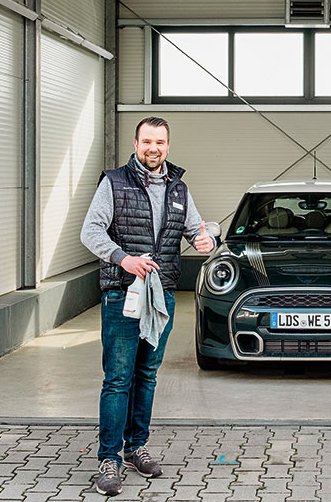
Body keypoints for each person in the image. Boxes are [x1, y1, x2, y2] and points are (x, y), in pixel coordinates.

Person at [80, 116, 214, 496]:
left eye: (160, 142)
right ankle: (109, 457)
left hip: (162, 295)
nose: (153, 148)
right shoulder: (114, 182)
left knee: (147, 375)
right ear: (136, 143)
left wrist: (206, 243)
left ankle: (136, 446)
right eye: (147, 141)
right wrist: (123, 259)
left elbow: (198, 231)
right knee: (118, 378)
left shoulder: (178, 188)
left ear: (168, 146)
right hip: (123, 294)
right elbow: (90, 231)